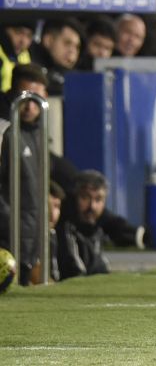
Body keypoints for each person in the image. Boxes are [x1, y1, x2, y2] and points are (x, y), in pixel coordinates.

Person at [0, 64, 50, 285]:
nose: (30, 106)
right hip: (7, 238)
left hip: (32, 239)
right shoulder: (4, 133)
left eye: (35, 98)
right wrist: (9, 223)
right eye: (24, 97)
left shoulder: (40, 134)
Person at [56, 169, 111, 280]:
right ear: (75, 197)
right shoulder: (65, 227)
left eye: (98, 199)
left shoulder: (97, 229)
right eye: (85, 197)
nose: (92, 206)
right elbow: (73, 271)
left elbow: (101, 269)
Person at [29, 18, 83, 96]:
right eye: (67, 43)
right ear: (48, 40)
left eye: (77, 47)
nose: (72, 51)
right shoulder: (29, 63)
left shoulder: (76, 77)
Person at [0, 22, 34, 92]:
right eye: (18, 32)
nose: (23, 41)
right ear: (6, 30)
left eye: (29, 36)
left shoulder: (26, 55)